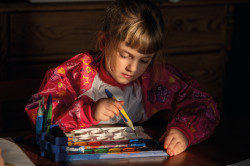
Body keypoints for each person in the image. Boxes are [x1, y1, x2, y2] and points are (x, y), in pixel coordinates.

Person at [25, 0, 220, 156]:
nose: (133, 68)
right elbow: (39, 113)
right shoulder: (78, 72)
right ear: (104, 42)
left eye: (144, 60)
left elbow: (204, 106)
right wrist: (88, 112)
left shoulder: (156, 77)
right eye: (125, 55)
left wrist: (184, 132)